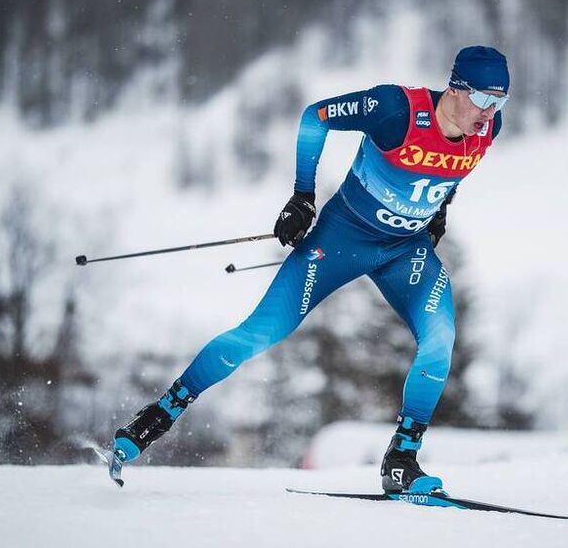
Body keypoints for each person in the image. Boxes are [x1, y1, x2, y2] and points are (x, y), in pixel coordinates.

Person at [113, 45, 509, 493]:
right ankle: (158, 415)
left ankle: (401, 460)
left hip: (406, 250)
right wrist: (302, 195)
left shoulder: (488, 128)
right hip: (344, 240)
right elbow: (315, 117)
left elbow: (448, 172)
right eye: (483, 97)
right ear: (456, 88)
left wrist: (438, 209)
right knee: (259, 333)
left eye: (500, 101)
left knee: (440, 339)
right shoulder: (396, 109)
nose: (490, 111)